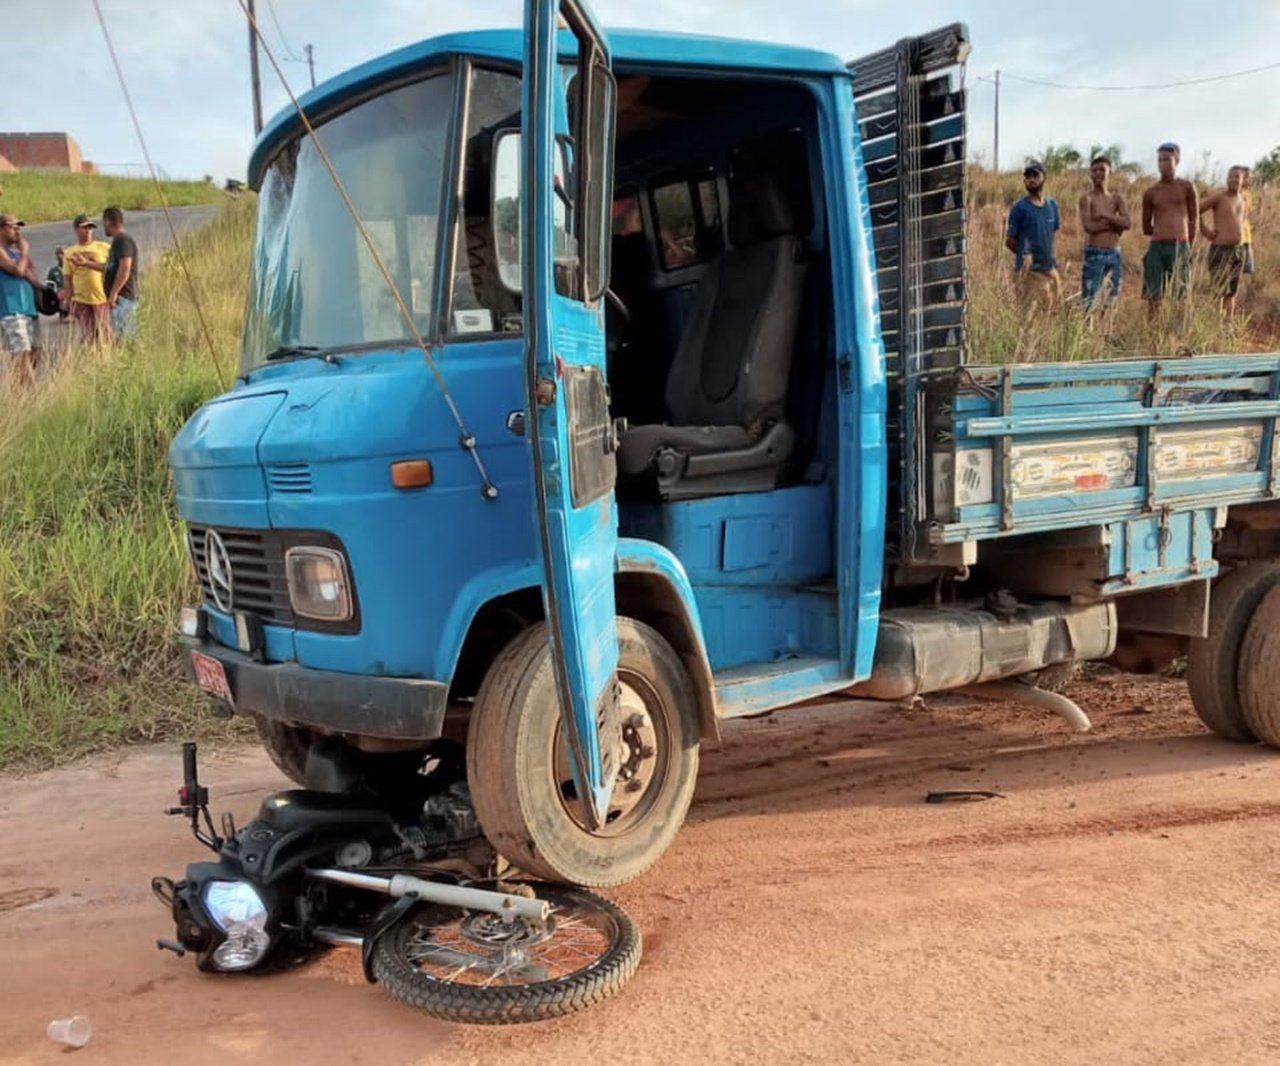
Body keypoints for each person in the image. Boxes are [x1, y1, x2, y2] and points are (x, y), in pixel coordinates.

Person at [1140, 142, 1198, 318]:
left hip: (1180, 244)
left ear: (1177, 160)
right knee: (1153, 295)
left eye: (1167, 159)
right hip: (1157, 246)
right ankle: (1152, 332)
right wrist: (1161, 230)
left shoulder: (1187, 187)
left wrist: (1189, 246)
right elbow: (1145, 226)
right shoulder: (1151, 192)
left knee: (1181, 294)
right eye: (1159, 160)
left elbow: (1194, 219)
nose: (1162, 164)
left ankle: (1178, 334)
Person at [1005, 160, 1061, 310]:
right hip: (1029, 273)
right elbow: (1009, 241)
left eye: (1035, 175)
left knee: (1052, 314)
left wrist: (1052, 260)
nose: (1031, 179)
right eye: (1027, 176)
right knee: (1031, 320)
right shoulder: (1019, 207)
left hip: (1049, 269)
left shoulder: (1052, 206)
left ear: (1044, 177)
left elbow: (1052, 234)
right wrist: (1025, 255)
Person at [1078, 156, 1131, 309]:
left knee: (1111, 300)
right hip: (1095, 253)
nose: (1098, 173)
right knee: (1089, 299)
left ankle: (1105, 331)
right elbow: (1089, 227)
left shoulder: (1117, 198)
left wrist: (1104, 216)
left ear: (1109, 172)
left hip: (1115, 253)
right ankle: (1087, 332)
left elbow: (1127, 223)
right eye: (1094, 170)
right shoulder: (1087, 198)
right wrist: (1115, 225)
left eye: (1102, 169)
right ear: (1090, 174)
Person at [1199, 165, 1248, 317]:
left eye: (1237, 177)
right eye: (1230, 176)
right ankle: (1216, 327)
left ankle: (1229, 325)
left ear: (1243, 181)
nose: (1233, 180)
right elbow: (1196, 210)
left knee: (1232, 291)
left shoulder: (1243, 199)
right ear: (1226, 179)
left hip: (1239, 250)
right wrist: (1206, 232)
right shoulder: (1219, 197)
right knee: (1219, 291)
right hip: (1221, 250)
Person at [0, 212, 41, 388]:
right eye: (13, 227)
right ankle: (34, 395)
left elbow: (31, 277)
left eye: (19, 227)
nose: (17, 231)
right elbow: (17, 271)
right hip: (11, 309)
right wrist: (24, 253)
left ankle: (19, 393)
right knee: (21, 353)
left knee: (33, 352)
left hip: (28, 309)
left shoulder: (16, 254)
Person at [63, 213, 112, 345]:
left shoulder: (103, 247)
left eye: (90, 228)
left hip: (101, 296)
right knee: (88, 332)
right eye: (84, 228)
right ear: (76, 229)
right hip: (81, 298)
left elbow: (111, 269)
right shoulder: (70, 252)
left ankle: (106, 357)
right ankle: (90, 358)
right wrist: (69, 301)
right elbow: (67, 278)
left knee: (103, 330)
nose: (88, 231)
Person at [102, 206, 139, 338]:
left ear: (108, 221)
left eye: (103, 223)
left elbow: (125, 268)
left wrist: (114, 293)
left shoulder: (123, 240)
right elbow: (111, 268)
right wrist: (86, 263)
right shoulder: (117, 241)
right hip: (119, 298)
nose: (103, 227)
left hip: (123, 298)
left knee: (124, 338)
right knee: (119, 336)